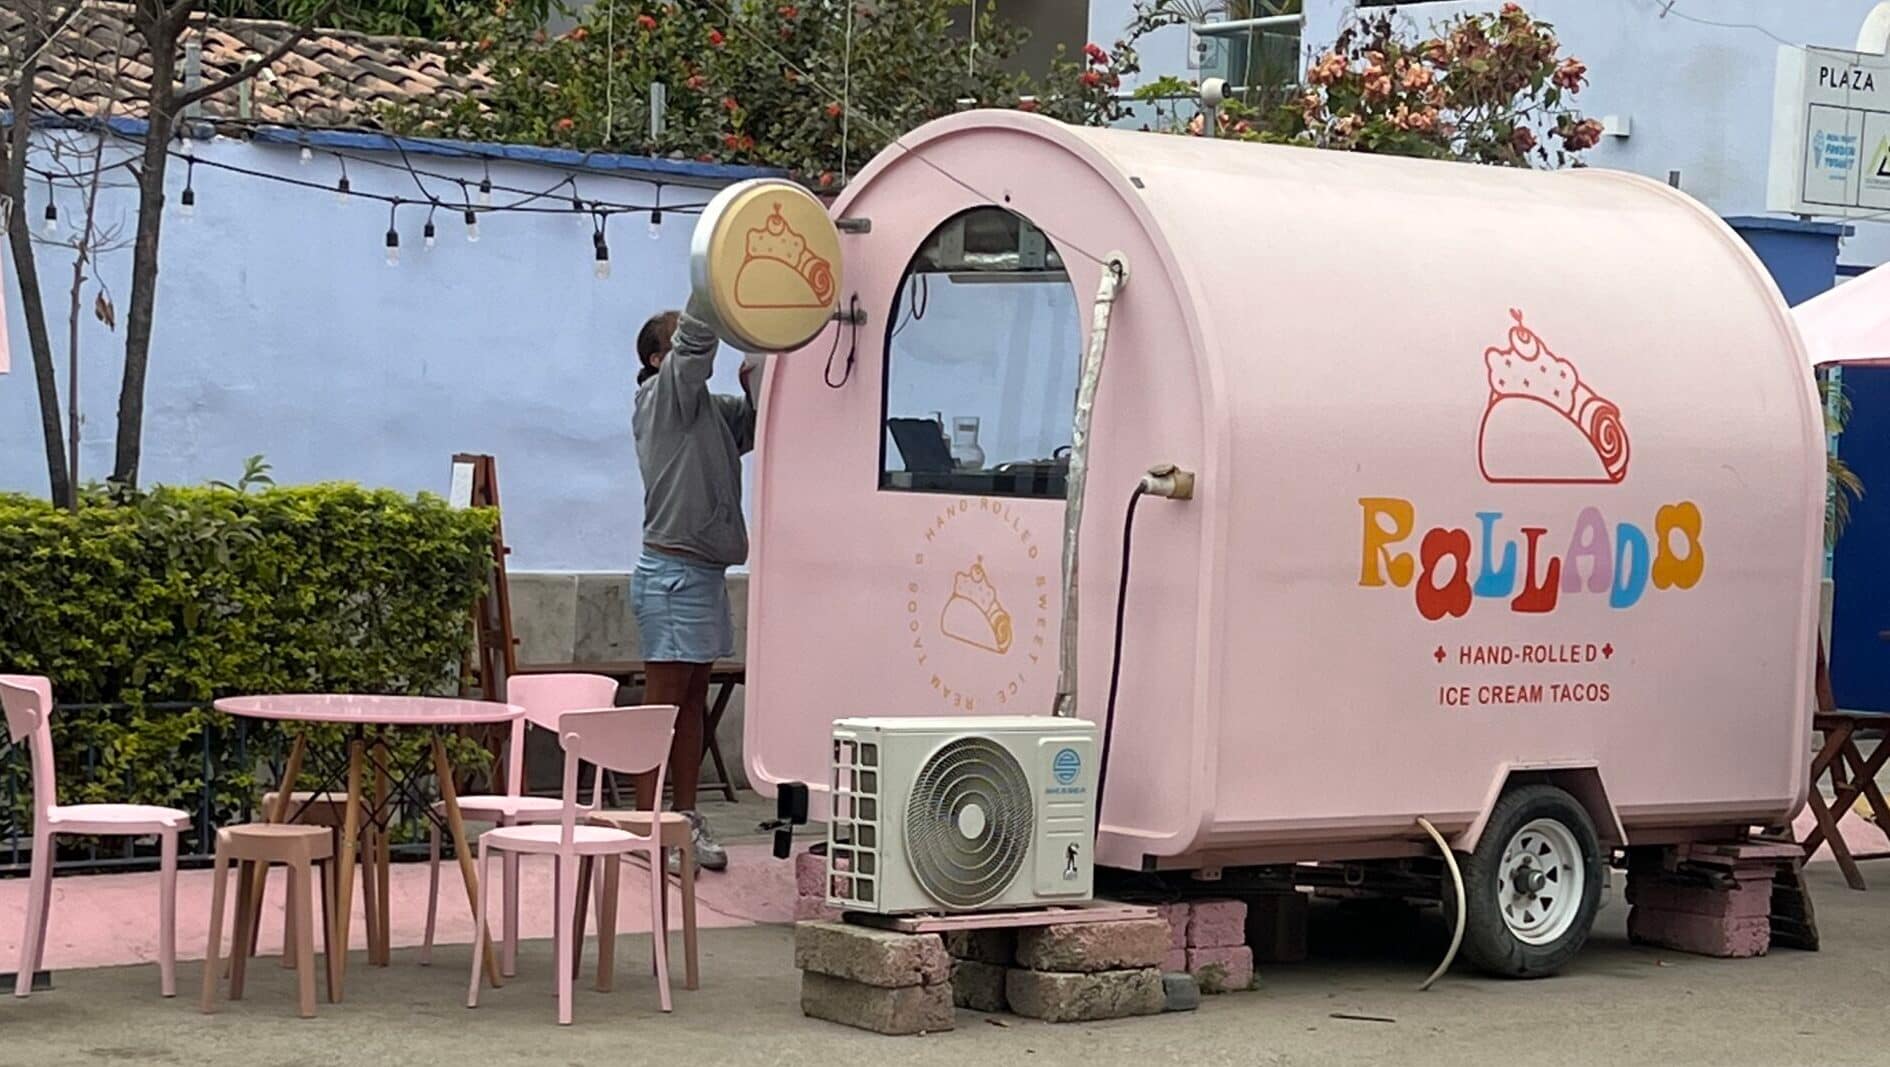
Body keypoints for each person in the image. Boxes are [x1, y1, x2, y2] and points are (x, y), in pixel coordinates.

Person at [630, 296, 760, 872]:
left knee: (692, 706)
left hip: (703, 574)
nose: (691, 345)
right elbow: (698, 343)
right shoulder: (661, 401)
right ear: (660, 359)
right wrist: (715, 283)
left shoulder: (709, 409)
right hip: (671, 576)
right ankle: (643, 826)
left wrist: (759, 365)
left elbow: (758, 421)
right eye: (677, 341)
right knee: (662, 710)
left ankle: (683, 818)